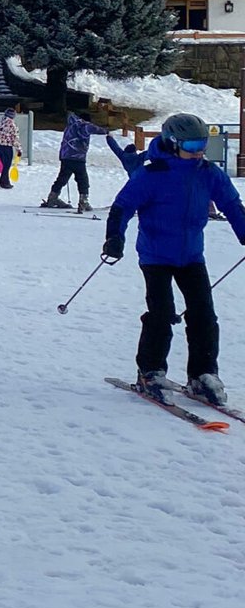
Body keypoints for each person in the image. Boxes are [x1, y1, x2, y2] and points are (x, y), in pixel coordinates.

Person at [103, 112, 245, 404]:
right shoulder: (152, 174)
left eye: (202, 145)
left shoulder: (208, 173)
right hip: (155, 255)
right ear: (172, 143)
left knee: (204, 313)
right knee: (162, 312)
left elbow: (232, 204)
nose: (198, 152)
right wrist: (115, 238)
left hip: (191, 254)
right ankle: (150, 371)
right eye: (192, 146)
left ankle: (203, 374)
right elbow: (122, 206)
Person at [41, 109, 100, 211]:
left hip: (66, 156)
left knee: (62, 178)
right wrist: (108, 133)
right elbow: (96, 129)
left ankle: (53, 197)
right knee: (82, 180)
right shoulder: (84, 125)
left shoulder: (70, 125)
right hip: (78, 158)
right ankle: (83, 200)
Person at [0, 106, 19, 189]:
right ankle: (3, 182)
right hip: (7, 146)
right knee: (7, 165)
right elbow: (15, 138)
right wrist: (19, 149)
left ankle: (5, 181)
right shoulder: (12, 125)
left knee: (4, 165)